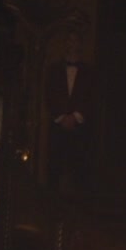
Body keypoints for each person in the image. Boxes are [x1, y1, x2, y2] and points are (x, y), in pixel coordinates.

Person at [44, 32, 97, 192]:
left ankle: (78, 204)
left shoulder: (89, 72)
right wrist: (62, 117)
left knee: (79, 169)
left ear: (80, 44)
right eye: (69, 40)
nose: (72, 44)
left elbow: (92, 97)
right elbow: (49, 95)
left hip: (80, 129)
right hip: (57, 127)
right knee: (54, 167)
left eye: (75, 40)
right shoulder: (54, 69)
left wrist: (75, 117)